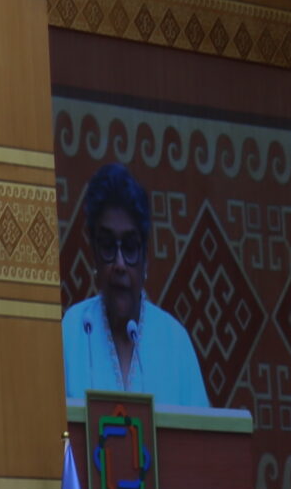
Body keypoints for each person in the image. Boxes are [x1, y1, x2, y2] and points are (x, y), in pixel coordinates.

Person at [61, 163, 208, 407]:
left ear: (145, 256)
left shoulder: (174, 342)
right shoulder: (73, 331)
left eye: (129, 247)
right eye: (108, 246)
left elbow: (201, 432)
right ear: (94, 254)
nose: (119, 264)